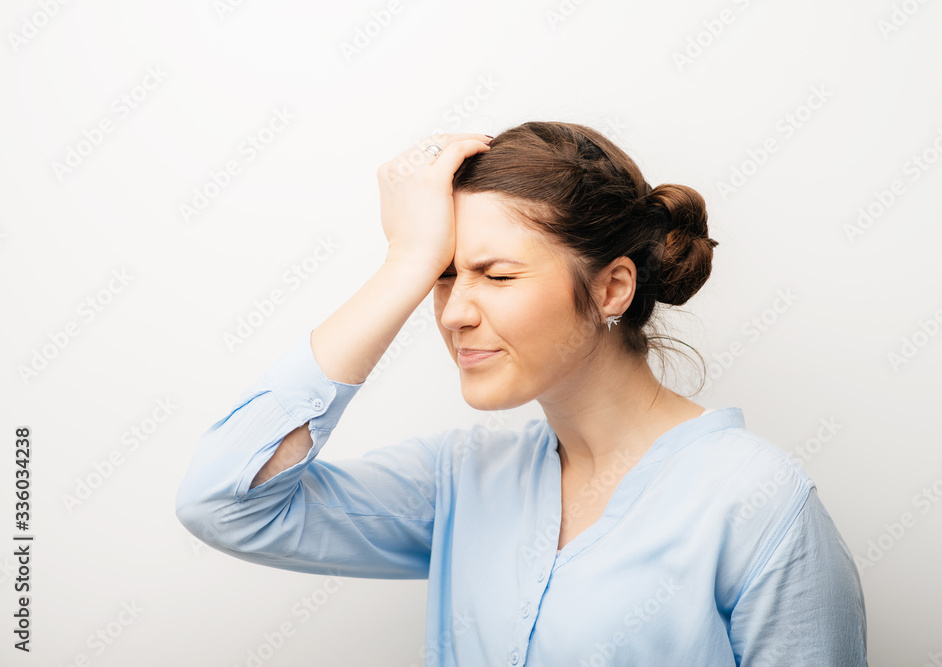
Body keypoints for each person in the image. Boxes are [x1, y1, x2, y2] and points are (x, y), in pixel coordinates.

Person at [175, 122, 868, 666]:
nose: (452, 313)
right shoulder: (460, 482)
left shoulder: (759, 506)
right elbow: (225, 501)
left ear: (611, 288)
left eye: (497, 276)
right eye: (446, 277)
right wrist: (406, 261)